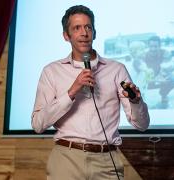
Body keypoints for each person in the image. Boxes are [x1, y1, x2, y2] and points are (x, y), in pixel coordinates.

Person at [31, 5, 150, 180]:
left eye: (88, 27)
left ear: (94, 33)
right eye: (77, 28)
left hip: (106, 160)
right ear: (66, 36)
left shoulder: (116, 70)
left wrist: (136, 101)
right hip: (66, 159)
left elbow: (142, 125)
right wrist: (71, 92)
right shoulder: (51, 71)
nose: (84, 33)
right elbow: (38, 124)